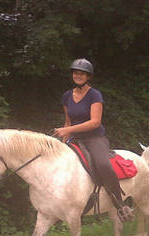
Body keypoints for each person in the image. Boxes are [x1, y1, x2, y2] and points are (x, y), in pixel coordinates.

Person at [53, 58, 134, 222]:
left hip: (95, 138)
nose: (78, 76)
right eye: (76, 73)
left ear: (88, 76)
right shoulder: (67, 96)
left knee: (103, 164)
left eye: (82, 74)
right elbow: (68, 122)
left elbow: (94, 122)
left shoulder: (94, 95)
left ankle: (120, 205)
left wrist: (67, 130)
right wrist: (62, 145)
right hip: (75, 140)